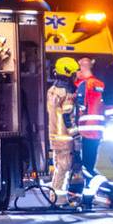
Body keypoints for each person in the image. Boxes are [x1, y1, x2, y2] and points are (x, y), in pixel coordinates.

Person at [47, 57, 80, 199]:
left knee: (59, 167)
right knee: (64, 168)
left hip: (54, 135)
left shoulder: (52, 90)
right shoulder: (67, 94)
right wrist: (76, 135)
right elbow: (68, 116)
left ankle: (56, 197)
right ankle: (58, 199)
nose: (75, 76)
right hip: (65, 137)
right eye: (73, 73)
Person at [73, 57, 106, 174]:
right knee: (91, 162)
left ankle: (88, 185)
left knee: (84, 164)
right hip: (97, 129)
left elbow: (78, 105)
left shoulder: (82, 85)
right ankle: (89, 185)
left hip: (84, 130)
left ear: (81, 68)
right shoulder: (100, 84)